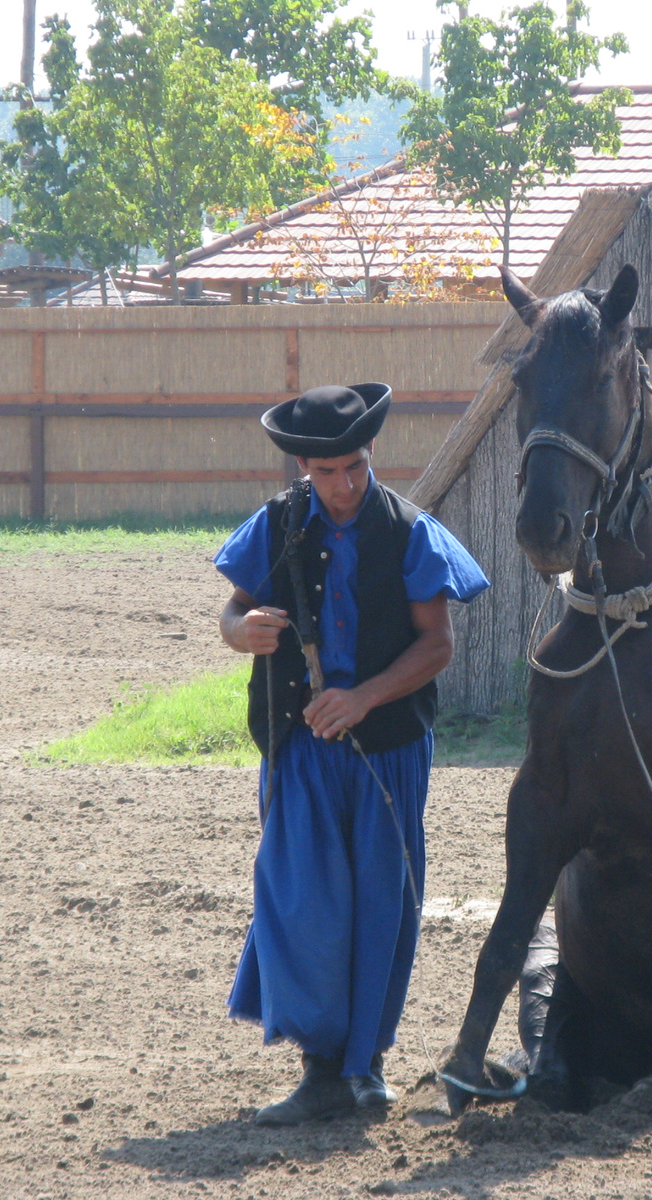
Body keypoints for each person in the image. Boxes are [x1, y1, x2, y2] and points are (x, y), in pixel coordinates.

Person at [215, 382, 490, 1125]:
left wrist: (364, 697)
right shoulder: (274, 528)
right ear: (304, 466)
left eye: (355, 468)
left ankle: (365, 1067)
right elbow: (231, 609)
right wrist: (242, 631)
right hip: (297, 750)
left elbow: (437, 644)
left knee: (379, 907)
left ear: (372, 456)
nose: (342, 486)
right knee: (304, 903)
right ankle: (320, 1071)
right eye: (326, 471)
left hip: (388, 753)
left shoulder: (409, 533)